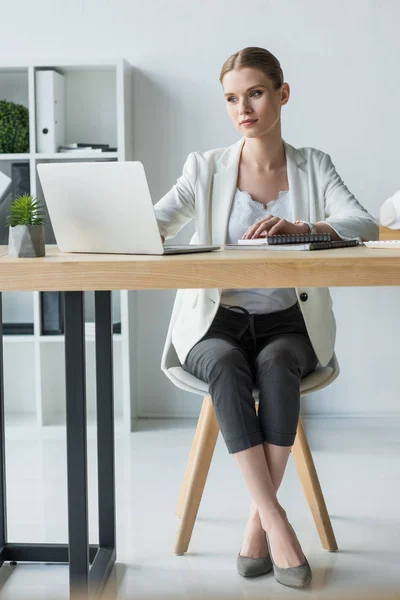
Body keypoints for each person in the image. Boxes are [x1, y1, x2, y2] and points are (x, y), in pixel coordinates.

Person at [153, 46, 378, 588]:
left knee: (278, 366)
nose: (242, 108)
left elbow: (363, 223)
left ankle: (256, 524)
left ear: (282, 93)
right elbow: (153, 225)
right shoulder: (205, 169)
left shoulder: (311, 165)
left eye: (254, 93)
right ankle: (276, 521)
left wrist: (302, 227)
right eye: (232, 98)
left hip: (288, 326)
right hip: (215, 324)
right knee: (227, 368)